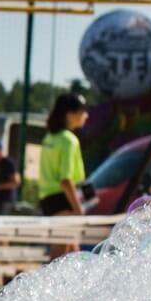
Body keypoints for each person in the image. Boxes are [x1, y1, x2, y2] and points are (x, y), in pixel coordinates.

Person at [35, 92, 89, 258]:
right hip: (62, 200)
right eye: (82, 111)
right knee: (58, 257)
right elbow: (66, 180)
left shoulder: (49, 138)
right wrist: (79, 210)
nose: (85, 115)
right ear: (70, 114)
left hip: (47, 199)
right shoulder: (69, 140)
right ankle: (45, 285)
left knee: (72, 252)